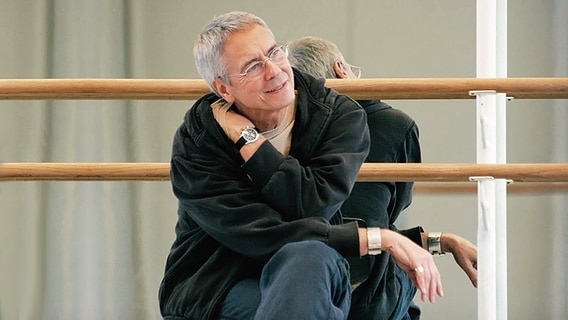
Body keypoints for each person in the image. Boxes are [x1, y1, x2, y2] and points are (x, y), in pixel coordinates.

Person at [158, 11, 444, 320]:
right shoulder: (199, 139)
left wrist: (249, 140)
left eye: (274, 52)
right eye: (253, 66)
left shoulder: (339, 116)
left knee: (307, 257)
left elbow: (311, 206)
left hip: (313, 269)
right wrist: (378, 239)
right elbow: (258, 234)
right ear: (224, 89)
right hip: (222, 281)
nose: (274, 70)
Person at [287, 36, 478, 319]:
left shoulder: (281, 134)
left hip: (302, 286)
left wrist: (443, 241)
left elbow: (356, 226)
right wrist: (441, 241)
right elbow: (384, 219)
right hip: (370, 295)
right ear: (341, 69)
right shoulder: (394, 124)